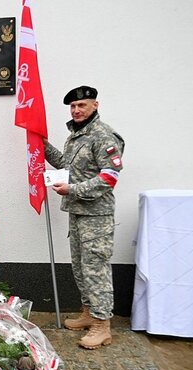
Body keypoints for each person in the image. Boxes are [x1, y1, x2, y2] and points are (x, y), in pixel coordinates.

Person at [44, 85, 125, 350]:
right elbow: (66, 165)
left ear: (95, 105)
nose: (76, 110)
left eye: (82, 105)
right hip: (78, 213)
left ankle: (102, 325)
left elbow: (109, 177)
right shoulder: (76, 136)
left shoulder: (103, 135)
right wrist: (41, 145)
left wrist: (73, 190)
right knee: (81, 268)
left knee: (95, 269)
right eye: (73, 106)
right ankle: (89, 313)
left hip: (96, 215)